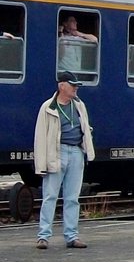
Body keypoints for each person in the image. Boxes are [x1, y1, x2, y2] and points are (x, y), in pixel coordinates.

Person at [33, 71, 95, 249]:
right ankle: (43, 236)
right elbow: (40, 137)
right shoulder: (48, 107)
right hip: (56, 153)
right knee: (50, 196)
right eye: (73, 85)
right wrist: (41, 164)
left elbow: (84, 126)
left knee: (72, 197)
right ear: (62, 86)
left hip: (76, 152)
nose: (76, 88)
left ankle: (71, 236)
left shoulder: (79, 105)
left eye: (76, 85)